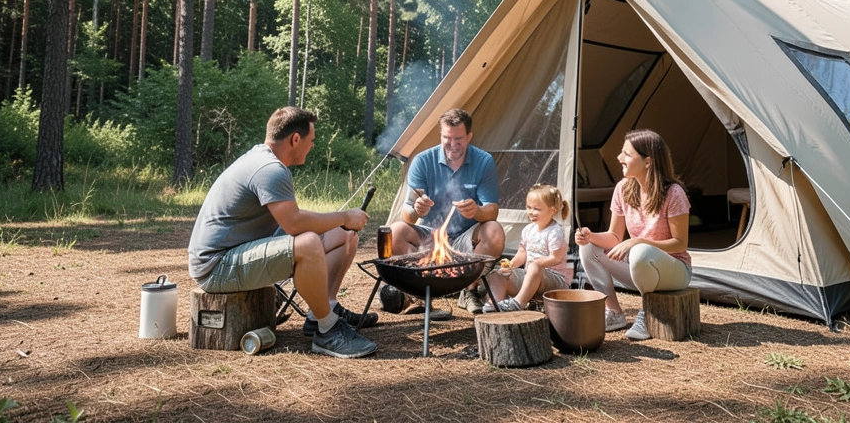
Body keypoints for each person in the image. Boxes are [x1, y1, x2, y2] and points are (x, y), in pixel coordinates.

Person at [187, 106, 378, 359]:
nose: (312, 146)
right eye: (311, 141)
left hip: (238, 249)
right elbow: (295, 225)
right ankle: (328, 331)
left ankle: (322, 312)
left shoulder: (265, 159)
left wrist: (342, 223)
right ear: (295, 139)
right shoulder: (270, 169)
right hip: (215, 266)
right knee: (308, 243)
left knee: (344, 234)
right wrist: (344, 216)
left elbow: (291, 216)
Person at [575, 129, 692, 340]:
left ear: (648, 162)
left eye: (626, 154)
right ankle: (614, 313)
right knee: (588, 248)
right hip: (641, 268)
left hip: (675, 271)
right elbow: (614, 237)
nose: (619, 158)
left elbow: (680, 243)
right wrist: (590, 236)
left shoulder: (674, 193)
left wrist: (638, 241)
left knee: (639, 251)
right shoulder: (623, 189)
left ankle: (648, 312)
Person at [387, 108, 504, 314]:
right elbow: (407, 214)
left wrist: (476, 211)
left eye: (458, 139)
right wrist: (416, 210)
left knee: (494, 231)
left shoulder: (483, 161)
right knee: (395, 231)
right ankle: (419, 293)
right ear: (440, 135)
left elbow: (492, 211)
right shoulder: (423, 161)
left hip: (465, 239)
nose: (452, 145)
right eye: (446, 138)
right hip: (430, 236)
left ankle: (469, 291)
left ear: (469, 136)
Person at [482, 184, 573, 312]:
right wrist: (511, 264)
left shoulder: (554, 232)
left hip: (555, 282)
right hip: (530, 278)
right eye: (528, 207)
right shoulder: (528, 230)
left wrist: (536, 263)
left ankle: (519, 303)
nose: (531, 212)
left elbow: (556, 258)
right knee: (498, 274)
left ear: (552, 211)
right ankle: (494, 305)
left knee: (534, 267)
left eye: (537, 209)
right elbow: (522, 252)